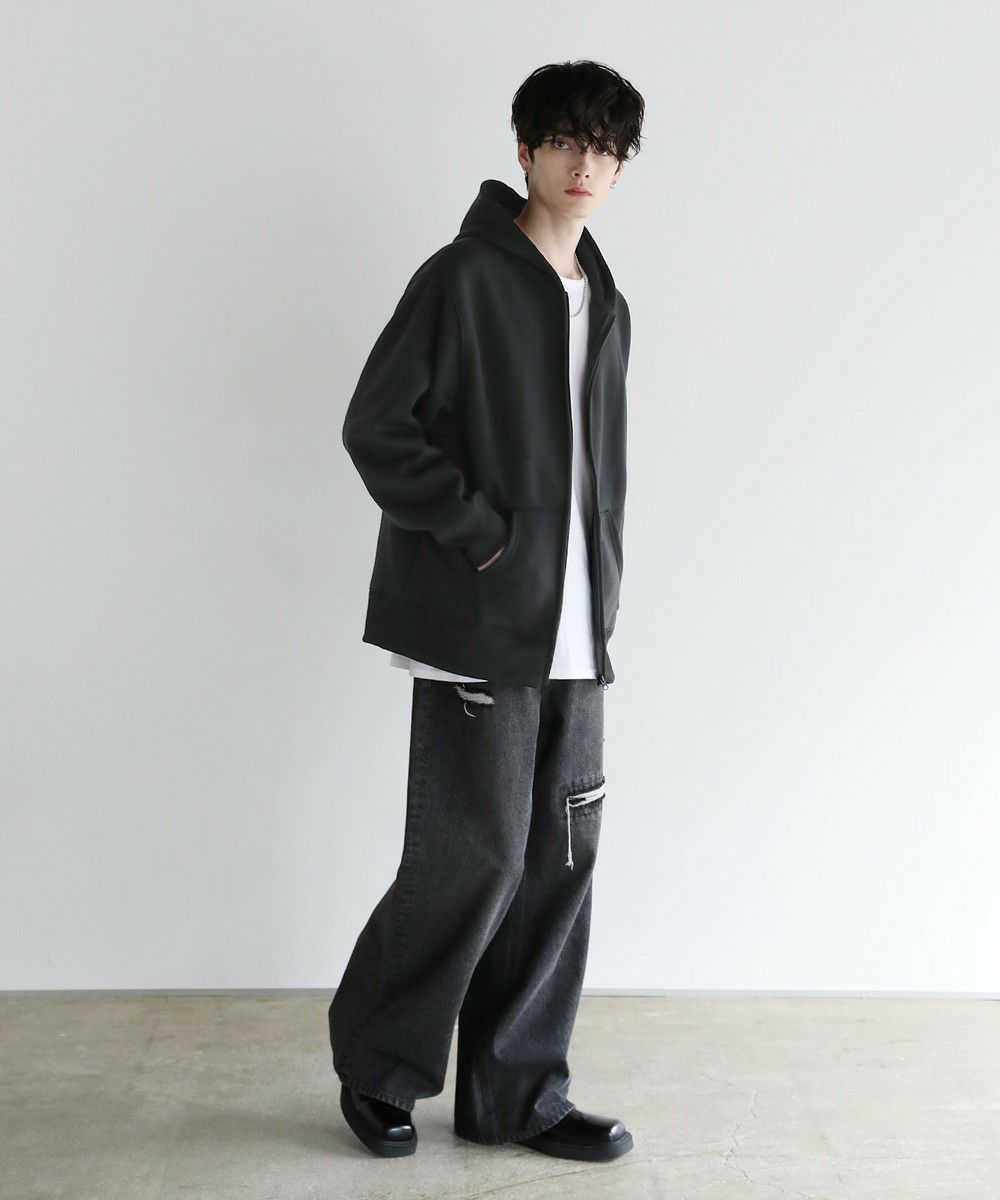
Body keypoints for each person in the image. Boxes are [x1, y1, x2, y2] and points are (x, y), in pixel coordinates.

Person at [329, 59, 644, 1162]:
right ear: (524, 149)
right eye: (566, 140)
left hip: (576, 631)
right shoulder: (461, 277)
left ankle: (517, 1095)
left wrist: (601, 582)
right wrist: (483, 536)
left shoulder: (605, 299)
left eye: (606, 147)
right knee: (476, 858)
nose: (586, 163)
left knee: (559, 862)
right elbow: (378, 425)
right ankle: (380, 1069)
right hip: (479, 620)